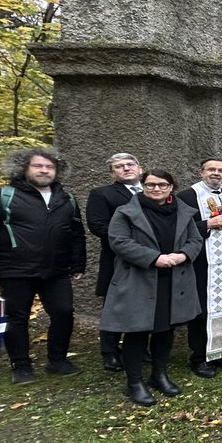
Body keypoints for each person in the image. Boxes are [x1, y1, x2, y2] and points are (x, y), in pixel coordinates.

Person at [0, 147, 87, 384]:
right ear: (23, 168)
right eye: (38, 166)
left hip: (56, 271)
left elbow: (76, 233)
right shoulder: (2, 196)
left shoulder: (66, 198)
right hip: (15, 270)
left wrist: (77, 263)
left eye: (50, 167)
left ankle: (57, 360)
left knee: (64, 313)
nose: (44, 170)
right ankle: (21, 365)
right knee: (17, 318)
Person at [101, 170, 203, 405]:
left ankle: (159, 374)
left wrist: (182, 255)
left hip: (173, 279)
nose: (156, 189)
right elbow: (118, 241)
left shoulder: (183, 212)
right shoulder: (126, 212)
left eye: (162, 185)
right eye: (150, 185)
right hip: (139, 279)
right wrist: (154, 257)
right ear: (143, 186)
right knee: (136, 331)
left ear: (171, 187)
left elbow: (195, 240)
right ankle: (134, 382)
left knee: (165, 329)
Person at [177, 158, 222, 376]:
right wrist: (206, 224)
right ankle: (199, 357)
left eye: (220, 170)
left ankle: (220, 351)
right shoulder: (188, 196)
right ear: (201, 172)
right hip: (203, 264)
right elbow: (180, 230)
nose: (216, 173)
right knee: (203, 311)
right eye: (211, 169)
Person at [86, 152, 143, 372]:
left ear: (139, 168)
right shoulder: (102, 194)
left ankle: (138, 347)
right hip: (118, 259)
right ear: (112, 172)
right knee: (115, 306)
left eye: (130, 164)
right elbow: (98, 226)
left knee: (143, 304)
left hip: (149, 259)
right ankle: (109, 352)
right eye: (119, 166)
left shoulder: (153, 190)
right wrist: (133, 241)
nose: (126, 168)